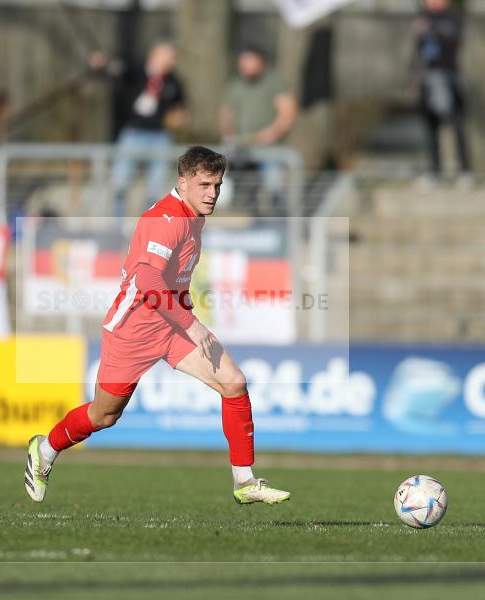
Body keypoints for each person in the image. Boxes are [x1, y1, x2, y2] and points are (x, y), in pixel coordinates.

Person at [24, 146, 290, 506]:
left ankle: (244, 482)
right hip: (134, 331)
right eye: (204, 185)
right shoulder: (166, 219)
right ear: (182, 183)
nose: (212, 194)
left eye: (217, 185)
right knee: (104, 415)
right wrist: (192, 325)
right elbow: (148, 280)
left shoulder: (193, 215)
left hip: (171, 326)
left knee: (233, 382)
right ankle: (44, 450)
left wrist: (185, 320)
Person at [99, 43, 188, 219]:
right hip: (133, 133)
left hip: (160, 136)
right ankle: (117, 226)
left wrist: (178, 118)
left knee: (155, 189)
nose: (172, 62)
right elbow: (116, 71)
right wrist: (104, 65)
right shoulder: (136, 72)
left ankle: (149, 228)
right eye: (169, 57)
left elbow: (180, 108)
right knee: (120, 182)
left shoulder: (173, 82)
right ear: (154, 56)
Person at [220, 47, 298, 213]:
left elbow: (288, 111)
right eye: (244, 61)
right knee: (247, 190)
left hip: (269, 148)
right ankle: (254, 222)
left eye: (251, 60)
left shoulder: (274, 83)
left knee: (274, 186)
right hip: (241, 148)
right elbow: (227, 114)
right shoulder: (235, 85)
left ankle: (280, 221)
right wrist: (228, 136)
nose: (247, 65)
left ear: (261, 62)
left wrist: (272, 133)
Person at [413, 0, 471, 178]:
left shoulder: (452, 19)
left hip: (449, 75)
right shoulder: (423, 19)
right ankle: (434, 170)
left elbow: (454, 37)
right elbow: (419, 50)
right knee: (430, 126)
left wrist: (433, 29)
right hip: (429, 77)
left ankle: (464, 170)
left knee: (456, 124)